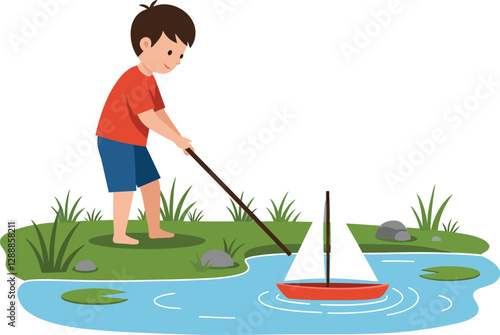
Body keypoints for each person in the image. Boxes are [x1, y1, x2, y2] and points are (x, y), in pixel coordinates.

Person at [95, 1, 195, 245]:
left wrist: (180, 139)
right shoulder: (135, 79)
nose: (177, 60)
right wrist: (175, 139)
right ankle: (119, 234)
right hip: (115, 140)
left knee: (151, 183)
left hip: (135, 142)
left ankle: (155, 229)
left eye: (180, 55)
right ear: (146, 44)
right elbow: (147, 117)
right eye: (171, 52)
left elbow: (160, 112)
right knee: (124, 187)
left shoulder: (150, 81)